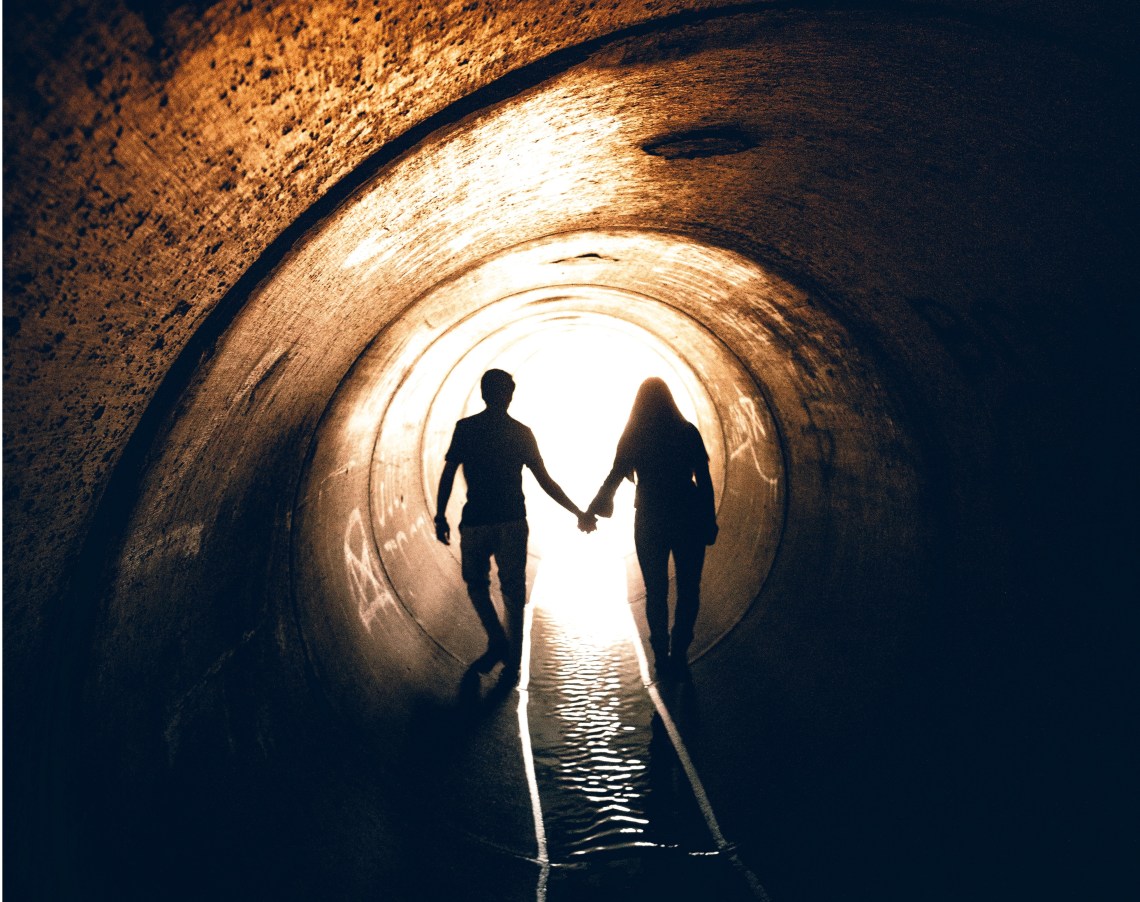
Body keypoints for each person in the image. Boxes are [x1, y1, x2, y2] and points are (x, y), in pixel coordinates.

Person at [435, 368, 594, 682]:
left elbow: (449, 472)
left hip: (476, 521)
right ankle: (513, 663)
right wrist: (578, 511)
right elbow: (546, 481)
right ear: (509, 396)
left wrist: (440, 515)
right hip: (511, 522)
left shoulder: (466, 428)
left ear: (484, 394)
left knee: (477, 585)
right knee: (513, 591)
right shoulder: (521, 432)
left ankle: (497, 640)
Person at [584, 377, 717, 677]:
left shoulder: (634, 435)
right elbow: (704, 481)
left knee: (655, 590)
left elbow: (614, 477)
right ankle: (680, 651)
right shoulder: (687, 432)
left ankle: (660, 654)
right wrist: (710, 520)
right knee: (688, 589)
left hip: (650, 516)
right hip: (688, 515)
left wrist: (591, 511)